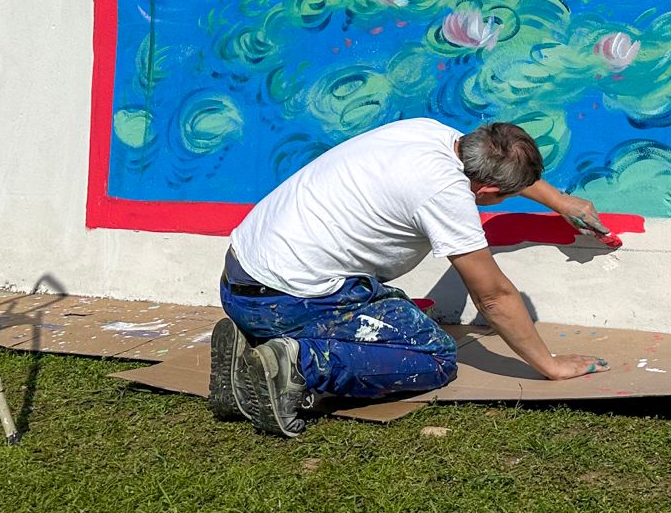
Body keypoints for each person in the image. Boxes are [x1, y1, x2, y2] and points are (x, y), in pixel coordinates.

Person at [210, 118, 610, 436]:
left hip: (241, 279)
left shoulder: (430, 133)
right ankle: (297, 363)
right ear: (487, 189)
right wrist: (550, 366)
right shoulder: (444, 194)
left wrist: (559, 200)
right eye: (501, 195)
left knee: (392, 307)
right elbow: (494, 297)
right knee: (433, 356)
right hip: (288, 301)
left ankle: (253, 346)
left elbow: (496, 168)